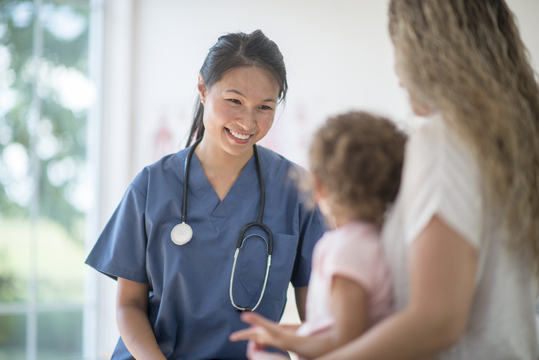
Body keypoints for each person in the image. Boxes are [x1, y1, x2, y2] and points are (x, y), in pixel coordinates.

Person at [310, 1, 539, 359]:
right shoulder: (512, 144)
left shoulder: (444, 139)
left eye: (399, 50)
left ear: (427, 52)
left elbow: (437, 320)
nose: (398, 74)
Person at [85, 30, 325, 360]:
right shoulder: (152, 185)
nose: (248, 121)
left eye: (264, 107)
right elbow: (129, 305)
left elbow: (319, 318)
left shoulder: (298, 191)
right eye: (234, 101)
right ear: (202, 89)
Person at [230, 111, 406, 359]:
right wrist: (282, 335)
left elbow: (345, 345)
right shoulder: (383, 240)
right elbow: (336, 329)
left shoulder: (346, 251)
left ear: (318, 184)